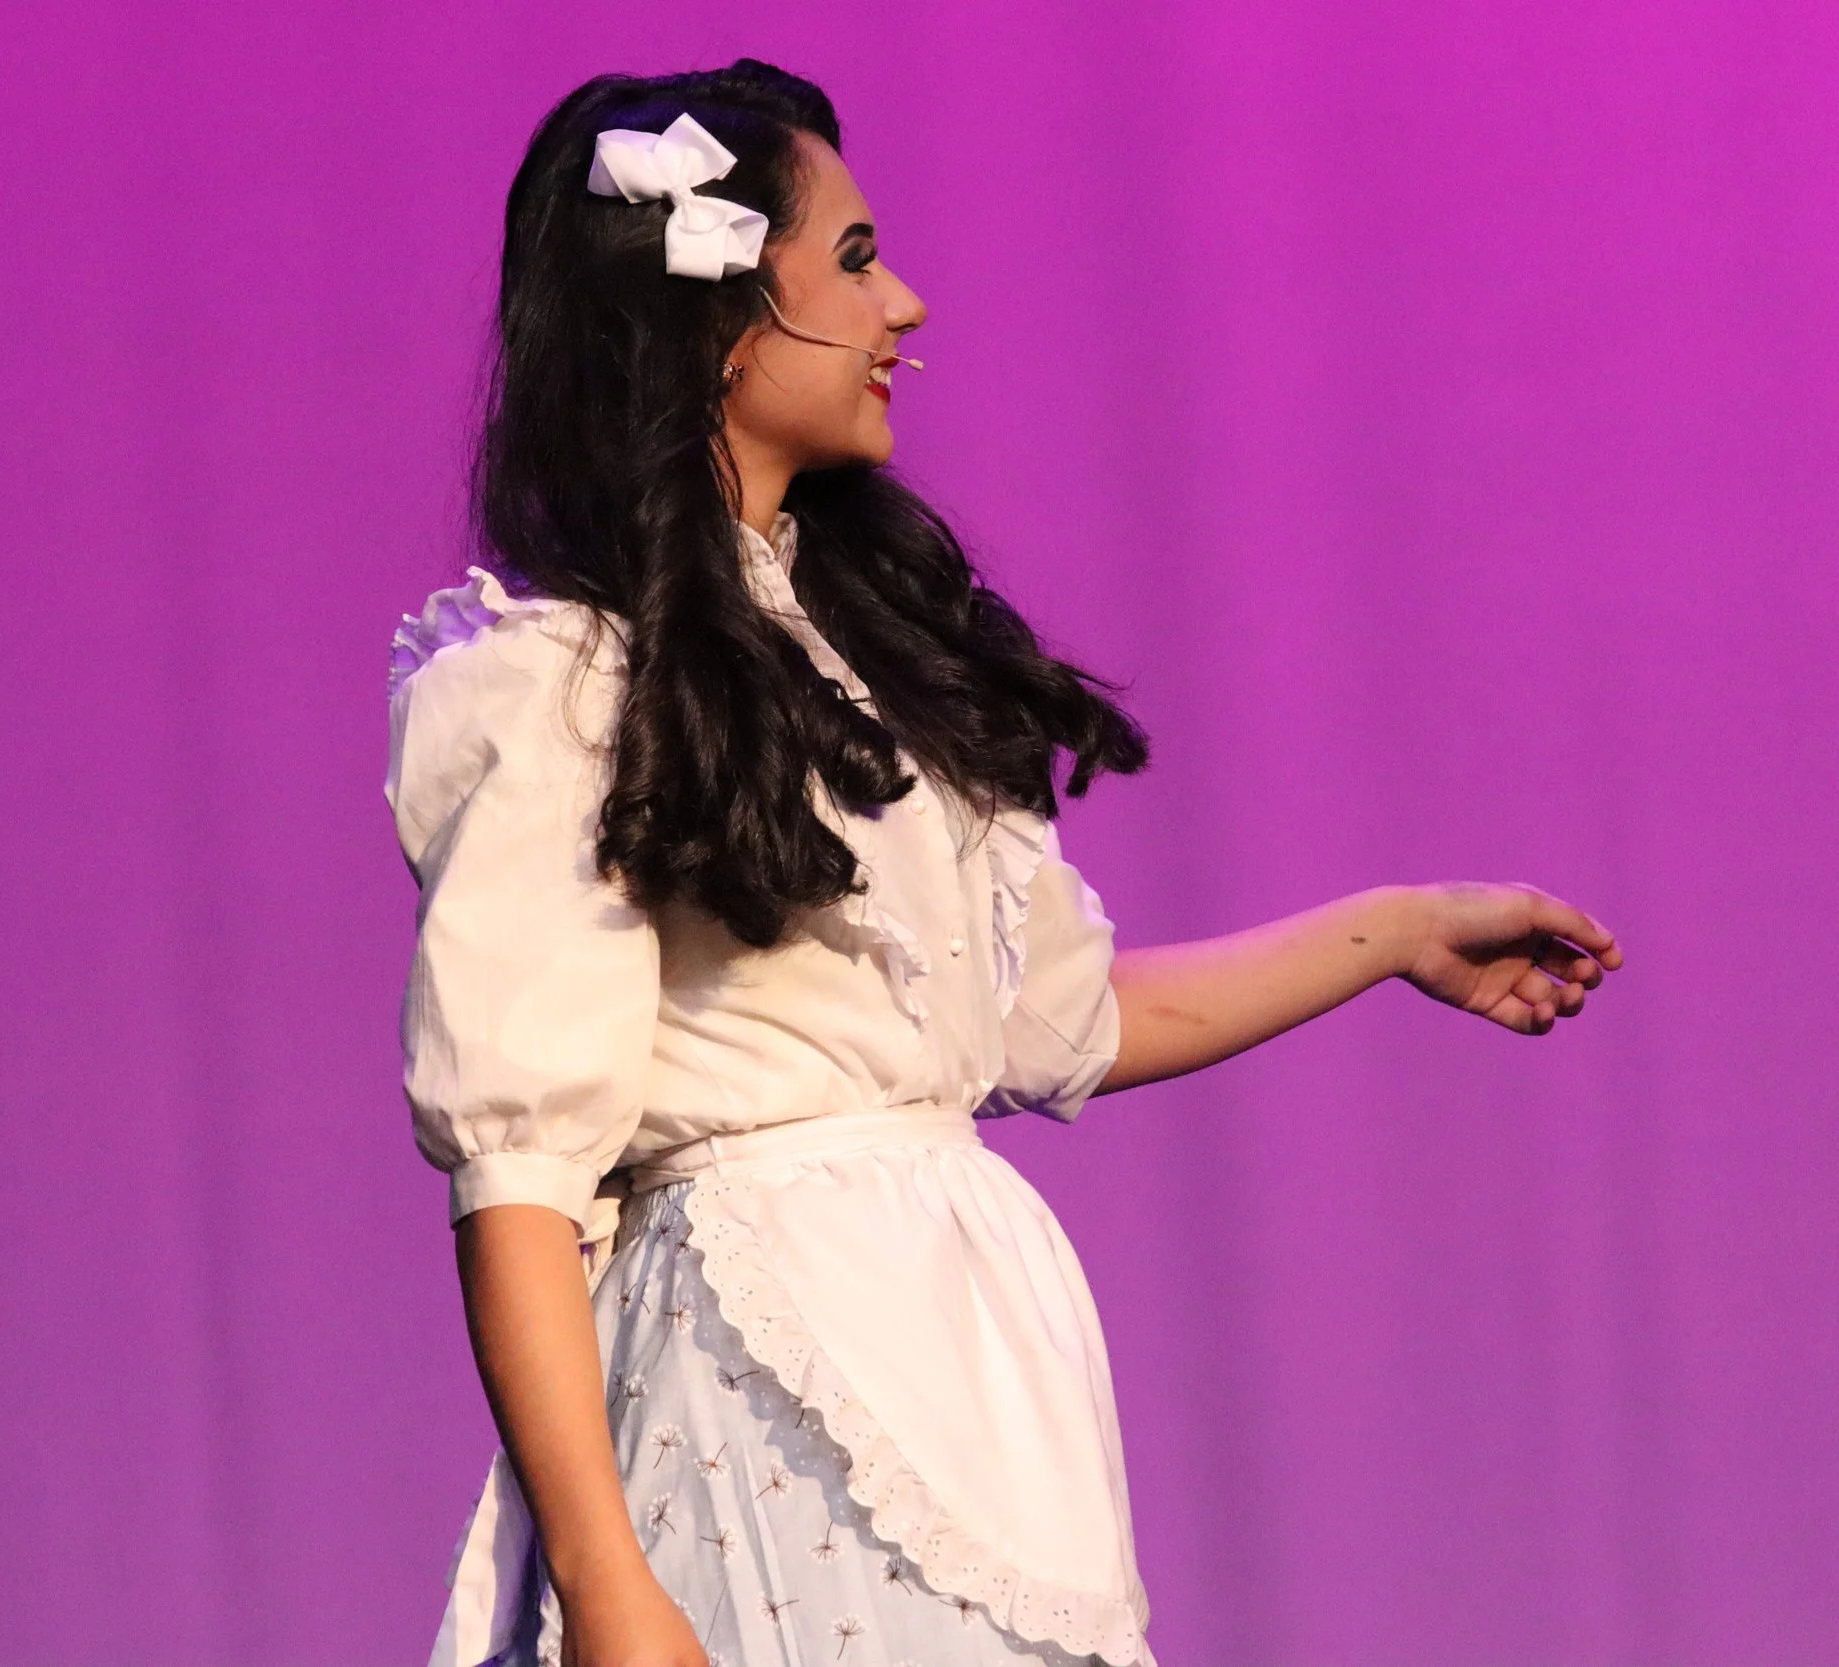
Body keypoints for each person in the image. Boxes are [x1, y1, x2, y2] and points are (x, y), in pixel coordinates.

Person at [386, 60, 1623, 1667]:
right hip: (766, 1369)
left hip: (965, 1366)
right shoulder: (564, 678)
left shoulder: (855, 647)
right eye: (853, 258)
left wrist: (1390, 931)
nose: (902, 303)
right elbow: (519, 1177)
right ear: (722, 317)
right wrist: (610, 1584)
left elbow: (1050, 1023)